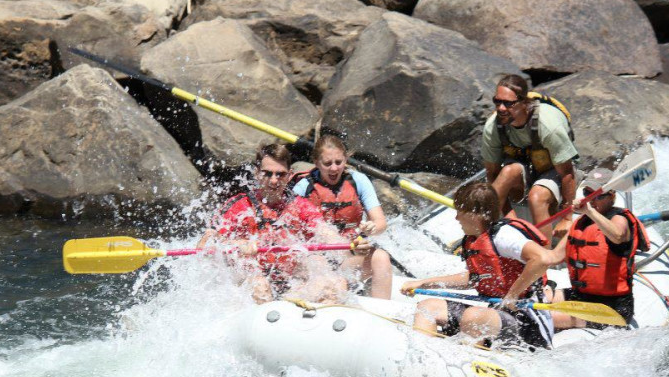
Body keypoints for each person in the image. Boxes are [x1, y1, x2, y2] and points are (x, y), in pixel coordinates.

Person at [197, 143, 359, 304]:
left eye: (280, 174)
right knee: (260, 285)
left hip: (290, 279)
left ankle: (294, 308)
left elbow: (326, 233)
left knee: (336, 283)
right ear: (257, 173)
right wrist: (236, 244)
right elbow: (204, 244)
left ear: (289, 176)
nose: (274, 180)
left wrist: (352, 246)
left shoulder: (300, 205)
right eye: (268, 174)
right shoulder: (239, 204)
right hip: (251, 280)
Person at [400, 183, 555, 350]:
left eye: (459, 211)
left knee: (474, 316)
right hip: (497, 316)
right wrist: (424, 283)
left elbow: (542, 258)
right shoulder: (475, 239)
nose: (456, 218)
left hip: (528, 323)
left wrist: (512, 295)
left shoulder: (503, 236)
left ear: (475, 214)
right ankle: (423, 356)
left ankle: (468, 366)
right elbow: (475, 278)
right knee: (428, 307)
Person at [291, 135, 393, 299]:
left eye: (339, 162)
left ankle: (382, 313)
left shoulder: (358, 180)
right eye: (327, 163)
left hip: (349, 255)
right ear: (316, 163)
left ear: (346, 160)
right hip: (315, 256)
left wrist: (371, 229)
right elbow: (289, 228)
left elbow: (381, 222)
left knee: (381, 257)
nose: (334, 169)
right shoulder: (303, 187)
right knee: (329, 273)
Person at [547, 168, 650, 329]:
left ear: (612, 196)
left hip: (612, 308)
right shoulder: (581, 223)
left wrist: (589, 211)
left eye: (598, 196)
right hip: (582, 297)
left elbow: (617, 235)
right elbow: (552, 257)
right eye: (588, 193)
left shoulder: (620, 219)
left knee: (546, 317)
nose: (592, 200)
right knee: (539, 297)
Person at [481, 74, 579, 241]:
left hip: (555, 170)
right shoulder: (492, 128)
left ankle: (543, 257)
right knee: (507, 173)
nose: (501, 108)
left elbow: (567, 173)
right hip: (524, 171)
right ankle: (482, 237)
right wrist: (511, 218)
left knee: (537, 196)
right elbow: (492, 175)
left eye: (508, 103)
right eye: (497, 101)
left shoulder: (548, 125)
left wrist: (567, 217)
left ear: (524, 102)